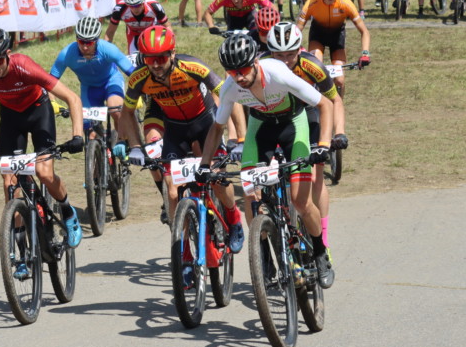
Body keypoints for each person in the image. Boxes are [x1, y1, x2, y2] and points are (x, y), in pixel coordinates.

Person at [197, 33, 336, 287]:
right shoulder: (230, 88)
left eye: (243, 69)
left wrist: (324, 145)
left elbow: (325, 105)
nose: (239, 77)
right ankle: (263, 253)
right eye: (232, 72)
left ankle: (320, 252)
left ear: (255, 63)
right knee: (251, 196)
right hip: (260, 128)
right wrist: (204, 165)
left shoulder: (278, 73)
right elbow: (217, 128)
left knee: (301, 201)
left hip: (293, 124)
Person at [0, 26, 87, 249]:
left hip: (38, 112)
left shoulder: (24, 66)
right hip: (11, 118)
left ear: (7, 54)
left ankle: (67, 210)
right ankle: (20, 249)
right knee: (9, 182)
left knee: (44, 172)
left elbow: (72, 98)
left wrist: (77, 135)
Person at [122, 25, 244, 247]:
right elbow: (127, 112)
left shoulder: (192, 67)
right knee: (171, 191)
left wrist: (240, 139)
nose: (156, 65)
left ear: (172, 53)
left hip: (205, 123)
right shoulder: (139, 78)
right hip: (175, 129)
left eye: (161, 58)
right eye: (149, 59)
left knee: (216, 178)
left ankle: (233, 217)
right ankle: (182, 249)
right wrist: (136, 147)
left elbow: (228, 95)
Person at [264, 21, 344, 283]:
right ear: (270, 52)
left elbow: (334, 100)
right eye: (279, 55)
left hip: (309, 113)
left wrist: (338, 134)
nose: (285, 61)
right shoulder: (262, 65)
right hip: (278, 117)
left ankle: (323, 241)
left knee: (315, 178)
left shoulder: (312, 65)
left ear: (299, 50)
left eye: (290, 54)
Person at [49, 16, 135, 152]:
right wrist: (52, 102)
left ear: (97, 40)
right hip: (89, 89)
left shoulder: (108, 49)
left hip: (111, 81)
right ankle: (97, 161)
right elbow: (50, 81)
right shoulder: (67, 54)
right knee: (90, 133)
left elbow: (133, 72)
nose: (84, 46)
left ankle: (124, 143)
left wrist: (137, 93)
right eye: (81, 41)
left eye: (89, 43)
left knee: (115, 110)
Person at [296, 0, 371, 98]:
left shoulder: (346, 3)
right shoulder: (311, 3)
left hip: (337, 39)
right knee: (315, 73)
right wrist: (295, 49)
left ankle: (339, 105)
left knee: (339, 80)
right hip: (318, 36)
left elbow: (364, 31)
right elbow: (297, 31)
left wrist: (365, 53)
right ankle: (316, 104)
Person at [104, 0, 170, 54]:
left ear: (143, 0)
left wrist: (171, 49)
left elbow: (167, 27)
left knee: (153, 55)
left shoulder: (154, 7)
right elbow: (110, 32)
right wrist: (105, 53)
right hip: (133, 33)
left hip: (151, 31)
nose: (135, 9)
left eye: (138, 5)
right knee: (133, 58)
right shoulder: (119, 9)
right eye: (131, 6)